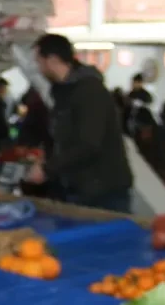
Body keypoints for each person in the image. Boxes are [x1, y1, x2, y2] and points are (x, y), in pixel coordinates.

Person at [28, 34, 133, 212]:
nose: (39, 68)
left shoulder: (89, 92)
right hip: (79, 189)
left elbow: (89, 144)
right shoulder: (63, 92)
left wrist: (47, 168)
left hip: (102, 192)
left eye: (39, 62)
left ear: (52, 60)